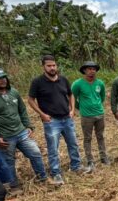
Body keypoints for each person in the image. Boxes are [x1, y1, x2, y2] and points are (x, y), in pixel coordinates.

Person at [0, 67, 48, 185]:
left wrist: (28, 125)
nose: (2, 80)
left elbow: (22, 110)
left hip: (21, 132)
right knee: (8, 161)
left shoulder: (13, 92)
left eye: (3, 77)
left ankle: (43, 178)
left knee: (35, 153)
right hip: (5, 137)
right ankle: (13, 185)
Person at [27, 55, 82, 185]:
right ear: (43, 67)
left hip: (67, 118)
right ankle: (56, 172)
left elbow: (71, 94)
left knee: (73, 144)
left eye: (54, 65)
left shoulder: (63, 79)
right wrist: (42, 114)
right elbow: (30, 99)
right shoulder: (37, 82)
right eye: (49, 66)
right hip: (52, 121)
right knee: (53, 148)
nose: (52, 68)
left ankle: (76, 166)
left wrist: (72, 110)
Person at [72, 61, 109, 173]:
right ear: (84, 70)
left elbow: (102, 97)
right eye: (89, 69)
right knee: (87, 138)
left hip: (99, 114)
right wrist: (80, 107)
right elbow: (72, 97)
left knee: (100, 136)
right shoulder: (78, 84)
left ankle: (103, 157)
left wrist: (97, 106)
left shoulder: (100, 83)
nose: (91, 71)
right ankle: (90, 160)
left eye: (93, 69)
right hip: (86, 116)